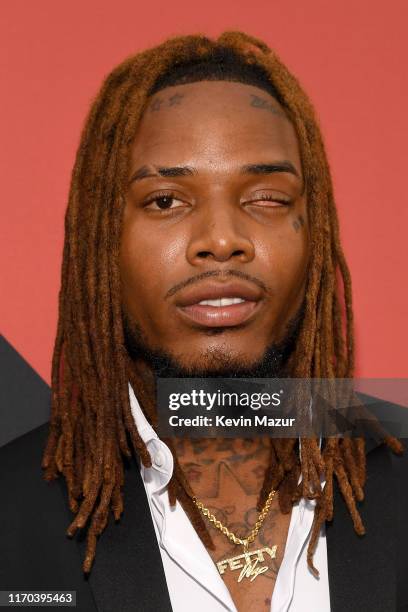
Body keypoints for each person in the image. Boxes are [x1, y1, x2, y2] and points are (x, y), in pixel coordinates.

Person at [0, 31, 407, 612]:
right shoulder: (10, 515)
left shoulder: (397, 472)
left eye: (266, 197)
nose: (221, 241)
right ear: (101, 244)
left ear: (314, 232)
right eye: (166, 200)